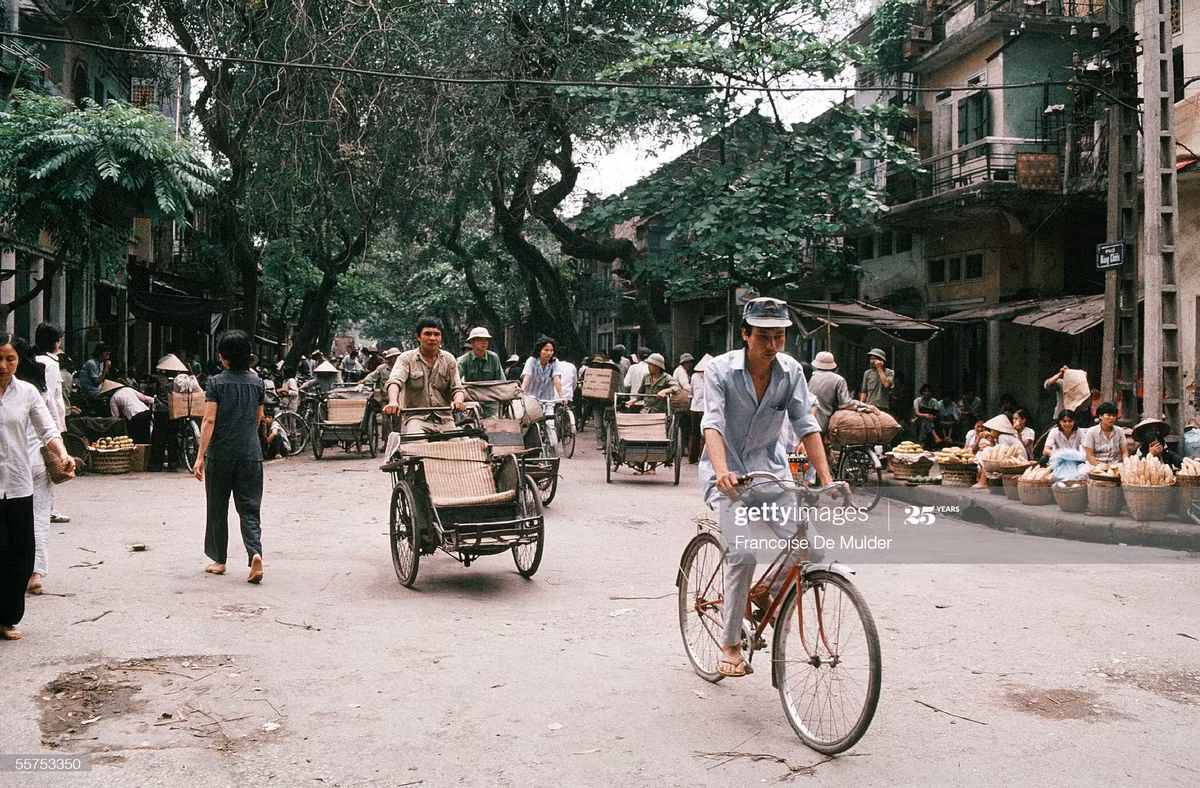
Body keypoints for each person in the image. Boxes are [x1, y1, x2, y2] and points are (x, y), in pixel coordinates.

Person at [701, 298, 840, 678]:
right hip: (728, 476)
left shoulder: (792, 371)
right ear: (745, 334)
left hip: (771, 473)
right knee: (743, 553)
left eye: (779, 336)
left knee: (813, 546)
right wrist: (722, 471)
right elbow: (711, 424)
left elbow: (806, 426)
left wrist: (827, 482)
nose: (772, 345)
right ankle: (730, 644)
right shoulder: (719, 371)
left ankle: (763, 592)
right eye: (763, 336)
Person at [0, 333, 75, 639]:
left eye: (10, 359)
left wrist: (63, 454)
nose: (3, 365)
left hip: (18, 483)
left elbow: (48, 429)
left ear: (19, 361)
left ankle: (8, 618)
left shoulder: (27, 393)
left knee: (20, 552)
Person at [194, 330, 266, 584]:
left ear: (223, 357)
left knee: (217, 506)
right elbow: (258, 418)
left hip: (221, 454)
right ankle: (255, 553)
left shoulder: (215, 383)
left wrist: (200, 456)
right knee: (249, 509)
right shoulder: (258, 384)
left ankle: (219, 561)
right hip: (250, 454)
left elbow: (209, 419)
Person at [383, 316, 467, 437]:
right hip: (416, 418)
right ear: (418, 336)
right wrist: (392, 402)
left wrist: (458, 401)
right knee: (416, 447)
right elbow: (395, 381)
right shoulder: (406, 358)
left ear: (441, 337)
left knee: (456, 449)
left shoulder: (449, 359)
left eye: (436, 334)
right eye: (427, 334)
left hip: (444, 418)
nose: (432, 338)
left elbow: (457, 388)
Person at [34, 324, 69, 525]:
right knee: (50, 466)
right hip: (48, 421)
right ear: (54, 341)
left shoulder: (34, 359)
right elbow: (50, 397)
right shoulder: (50, 363)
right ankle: (48, 509)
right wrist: (56, 426)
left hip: (37, 420)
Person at [521, 337, 566, 445]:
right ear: (539, 350)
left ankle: (551, 446)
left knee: (550, 423)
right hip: (531, 398)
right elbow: (527, 377)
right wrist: (521, 391)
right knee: (530, 424)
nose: (549, 353)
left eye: (551, 350)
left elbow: (556, 379)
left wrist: (562, 396)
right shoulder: (531, 361)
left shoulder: (555, 363)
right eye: (546, 350)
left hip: (547, 398)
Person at [807, 351, 860, 434]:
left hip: (806, 421)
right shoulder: (839, 380)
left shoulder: (808, 376)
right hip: (826, 423)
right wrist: (862, 406)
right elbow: (845, 403)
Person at [458, 328, 504, 417]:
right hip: (471, 404)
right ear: (472, 342)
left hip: (491, 405)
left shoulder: (494, 358)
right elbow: (455, 382)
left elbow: (501, 381)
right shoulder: (463, 360)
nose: (484, 342)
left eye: (486, 339)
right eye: (479, 340)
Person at [582, 354, 620, 450]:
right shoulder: (589, 373)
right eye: (595, 364)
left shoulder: (607, 374)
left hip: (607, 402)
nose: (596, 366)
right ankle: (601, 442)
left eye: (598, 364)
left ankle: (609, 441)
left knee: (606, 423)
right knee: (598, 424)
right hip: (595, 402)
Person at [1082, 402, 1127, 467]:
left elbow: (1124, 452)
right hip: (1095, 465)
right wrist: (1100, 467)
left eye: (1114, 415)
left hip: (1115, 465)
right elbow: (1089, 455)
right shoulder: (1091, 432)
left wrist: (1126, 464)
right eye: (1108, 415)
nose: (1112, 418)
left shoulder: (1120, 431)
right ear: (1100, 416)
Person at [688, 354, 713, 464]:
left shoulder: (694, 376)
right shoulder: (712, 376)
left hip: (695, 408)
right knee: (704, 434)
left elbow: (691, 393)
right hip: (705, 409)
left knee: (695, 434)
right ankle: (702, 459)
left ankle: (692, 458)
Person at [672, 354, 696, 457]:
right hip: (680, 403)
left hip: (677, 402)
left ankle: (679, 448)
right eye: (688, 362)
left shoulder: (680, 370)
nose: (690, 364)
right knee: (683, 424)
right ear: (683, 363)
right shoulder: (681, 372)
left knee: (679, 424)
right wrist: (695, 390)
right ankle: (680, 448)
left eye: (691, 362)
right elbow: (685, 385)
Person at [859, 348, 893, 413]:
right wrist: (861, 405)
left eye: (874, 359)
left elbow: (886, 384)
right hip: (869, 405)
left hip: (882, 406)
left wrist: (879, 368)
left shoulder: (889, 372)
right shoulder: (868, 373)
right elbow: (864, 391)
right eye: (871, 359)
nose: (871, 361)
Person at [913, 384, 941, 449]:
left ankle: (922, 444)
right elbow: (917, 413)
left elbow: (937, 414)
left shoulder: (934, 401)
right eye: (925, 391)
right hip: (920, 418)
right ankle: (935, 436)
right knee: (924, 420)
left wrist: (932, 417)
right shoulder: (917, 401)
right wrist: (925, 415)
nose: (927, 393)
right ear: (922, 392)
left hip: (932, 420)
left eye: (929, 391)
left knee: (924, 424)